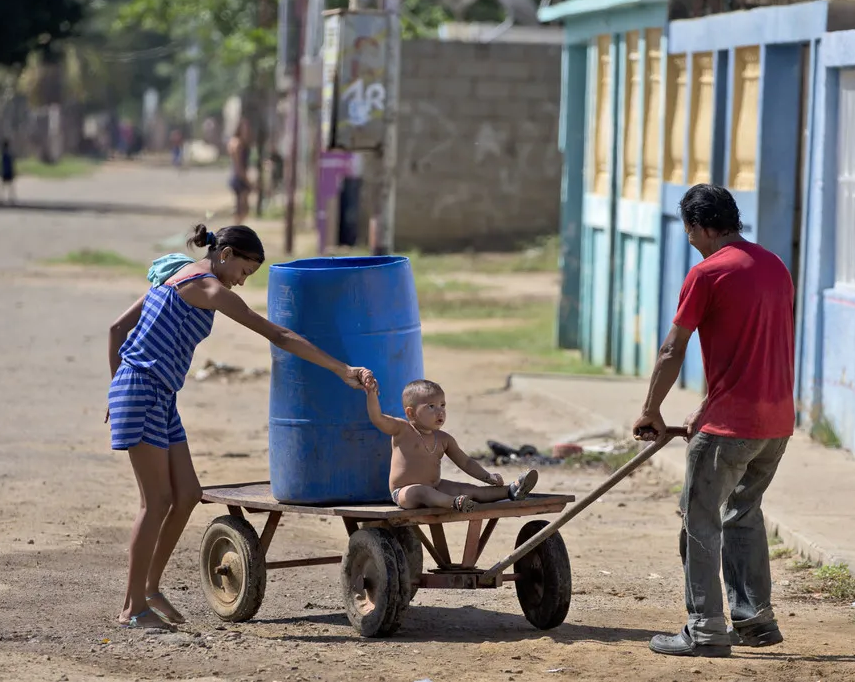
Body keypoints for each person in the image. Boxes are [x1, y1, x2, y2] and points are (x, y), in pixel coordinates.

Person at [108, 223, 373, 630]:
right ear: (226, 254)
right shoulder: (208, 289)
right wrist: (341, 370)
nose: (241, 283)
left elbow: (117, 330)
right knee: (156, 501)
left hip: (159, 395)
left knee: (188, 494)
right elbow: (279, 334)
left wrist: (116, 386)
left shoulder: (176, 271)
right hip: (142, 390)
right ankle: (132, 609)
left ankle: (150, 589)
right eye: (244, 272)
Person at [631, 184, 795, 658]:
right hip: (776, 422)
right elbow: (754, 348)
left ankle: (705, 628)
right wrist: (705, 406)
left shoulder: (707, 273)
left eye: (688, 230)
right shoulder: (773, 266)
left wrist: (650, 410)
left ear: (700, 227)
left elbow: (671, 349)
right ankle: (755, 619)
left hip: (731, 427)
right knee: (743, 514)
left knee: (699, 521)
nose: (690, 239)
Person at [364, 377, 538, 512]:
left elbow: (466, 462)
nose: (440, 411)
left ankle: (512, 490)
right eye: (431, 406)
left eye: (442, 405)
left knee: (468, 489)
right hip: (405, 492)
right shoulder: (403, 430)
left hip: (436, 486)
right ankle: (455, 503)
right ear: (411, 413)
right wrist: (371, 393)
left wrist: (487, 477)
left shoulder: (444, 439)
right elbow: (377, 418)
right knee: (422, 491)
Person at [228, 118, 253, 224]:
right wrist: (247, 180)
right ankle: (236, 230)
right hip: (239, 177)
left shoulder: (241, 143)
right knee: (242, 209)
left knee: (243, 208)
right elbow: (238, 166)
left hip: (239, 176)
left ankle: (237, 229)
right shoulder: (237, 143)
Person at [0, 140, 16, 205]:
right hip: (9, 172)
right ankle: (11, 199)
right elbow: (11, 164)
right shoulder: (9, 154)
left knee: (3, 186)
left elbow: (1, 164)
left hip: (5, 172)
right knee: (10, 186)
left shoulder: (3, 154)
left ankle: (1, 199)